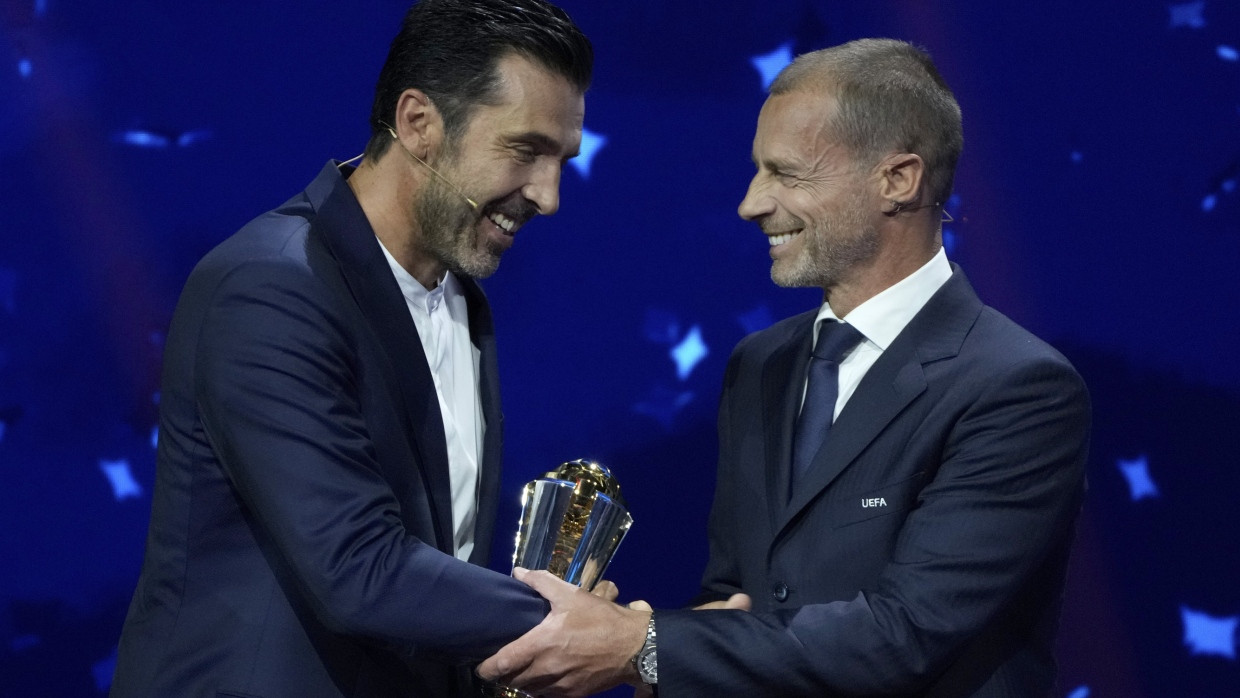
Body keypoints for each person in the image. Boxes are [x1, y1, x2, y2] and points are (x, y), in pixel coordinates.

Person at [477, 38, 1091, 697]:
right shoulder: (762, 365)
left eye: (786, 174)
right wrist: (656, 655)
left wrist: (643, 647)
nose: (751, 203)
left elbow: (906, 634)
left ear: (898, 179)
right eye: (756, 172)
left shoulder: (1017, 389)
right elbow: (738, 598)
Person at [109, 1, 595, 696]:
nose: (548, 196)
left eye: (562, 161)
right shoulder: (270, 287)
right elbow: (358, 568)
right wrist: (588, 628)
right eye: (524, 150)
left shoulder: (464, 300)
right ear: (418, 123)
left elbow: (438, 558)